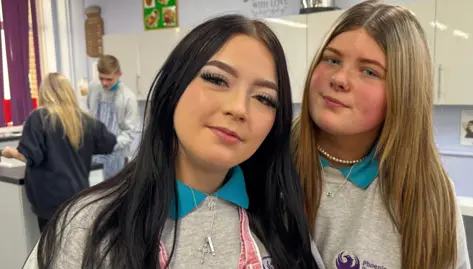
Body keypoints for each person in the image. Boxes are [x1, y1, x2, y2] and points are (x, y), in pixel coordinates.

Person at [23, 15, 323, 269]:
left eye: (264, 98)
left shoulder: (284, 221)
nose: (239, 108)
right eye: (217, 80)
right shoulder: (88, 225)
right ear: (173, 86)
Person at [291, 1, 471, 269]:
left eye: (369, 71)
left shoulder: (431, 195)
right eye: (332, 59)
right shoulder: (267, 160)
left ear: (402, 92)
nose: (339, 78)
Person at [1, 73, 116, 232]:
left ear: (45, 93)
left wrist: (10, 153)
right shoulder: (84, 120)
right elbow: (109, 143)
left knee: (51, 249)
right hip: (79, 197)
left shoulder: (39, 117)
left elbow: (30, 156)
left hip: (50, 201)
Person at [87, 54, 139, 180]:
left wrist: (111, 144)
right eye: (101, 78)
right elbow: (90, 114)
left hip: (116, 154)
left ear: (119, 74)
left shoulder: (128, 98)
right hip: (95, 152)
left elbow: (130, 132)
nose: (105, 83)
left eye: (109, 79)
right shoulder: (93, 88)